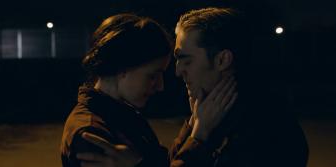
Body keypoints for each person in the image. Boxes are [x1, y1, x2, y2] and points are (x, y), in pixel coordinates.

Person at [74, 7, 309, 167]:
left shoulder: (262, 128)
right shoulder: (216, 115)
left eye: (185, 59)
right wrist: (195, 129)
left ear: (222, 60)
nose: (177, 72)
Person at [60, 13, 238, 167]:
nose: (160, 86)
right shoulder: (91, 134)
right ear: (123, 68)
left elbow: (163, 163)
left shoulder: (122, 113)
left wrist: (193, 124)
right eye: (152, 75)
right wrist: (199, 136)